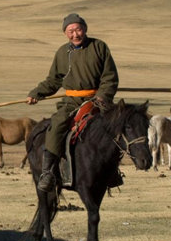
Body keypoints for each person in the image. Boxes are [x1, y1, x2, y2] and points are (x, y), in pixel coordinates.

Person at [27, 13, 119, 192]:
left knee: (116, 127)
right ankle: (48, 172)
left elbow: (110, 77)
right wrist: (36, 93)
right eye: (71, 31)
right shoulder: (62, 53)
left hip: (98, 100)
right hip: (72, 101)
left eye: (78, 29)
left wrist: (102, 95)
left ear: (85, 29)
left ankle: (113, 171)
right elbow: (54, 80)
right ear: (65, 33)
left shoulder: (99, 47)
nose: (75, 34)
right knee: (57, 125)